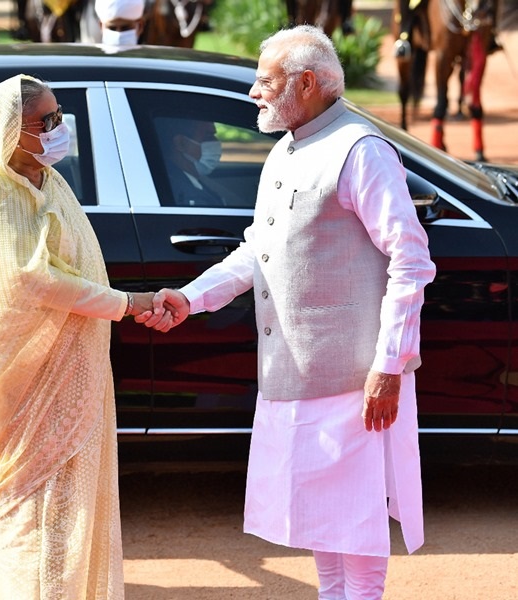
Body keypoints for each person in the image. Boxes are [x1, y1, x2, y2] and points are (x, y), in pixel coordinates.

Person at [139, 25, 436, 599]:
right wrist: (191, 297)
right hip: (294, 370)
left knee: (358, 522)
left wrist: (391, 364)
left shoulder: (361, 150)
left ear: (306, 82)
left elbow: (411, 258)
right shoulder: (288, 146)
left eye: (265, 80)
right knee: (322, 516)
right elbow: (260, 249)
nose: (253, 92)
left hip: (354, 377)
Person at [0, 74, 169, 599]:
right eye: (44, 122)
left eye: (59, 116)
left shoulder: (49, 180)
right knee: (26, 512)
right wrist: (125, 304)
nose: (57, 129)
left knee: (73, 504)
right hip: (26, 383)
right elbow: (31, 279)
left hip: (77, 371)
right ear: (7, 131)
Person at [160, 118, 226, 207]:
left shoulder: (185, 180)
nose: (216, 142)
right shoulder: (183, 194)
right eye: (208, 137)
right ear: (181, 143)